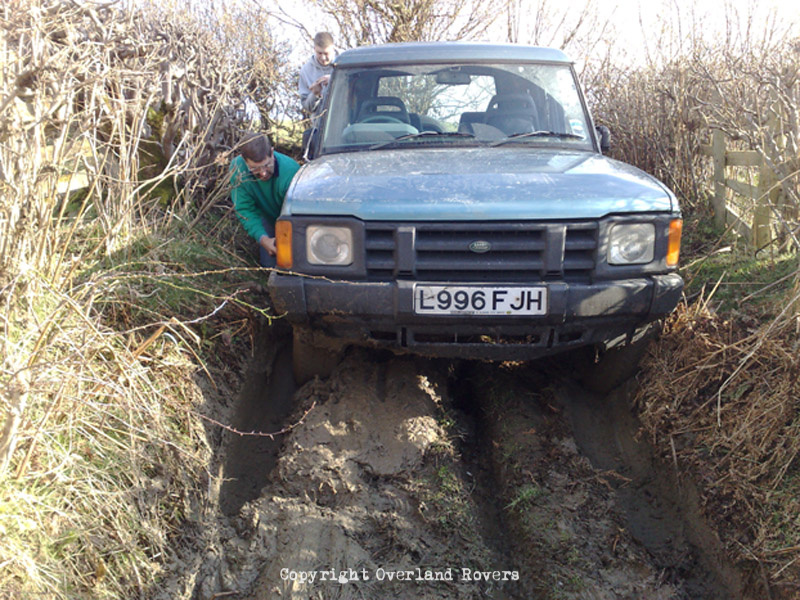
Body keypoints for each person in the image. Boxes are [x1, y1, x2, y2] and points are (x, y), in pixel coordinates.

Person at [229, 133, 300, 267]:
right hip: (265, 217)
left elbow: (298, 217)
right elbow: (245, 209)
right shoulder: (237, 169)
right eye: (255, 168)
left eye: (267, 165)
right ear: (244, 161)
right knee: (269, 267)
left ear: (272, 153)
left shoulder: (291, 171)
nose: (263, 173)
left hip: (291, 221)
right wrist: (263, 239)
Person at [298, 31, 336, 117]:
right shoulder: (306, 70)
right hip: (320, 125)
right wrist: (315, 94)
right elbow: (307, 108)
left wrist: (335, 79)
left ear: (333, 49)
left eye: (326, 53)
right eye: (319, 53)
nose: (323, 58)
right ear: (314, 49)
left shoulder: (344, 64)